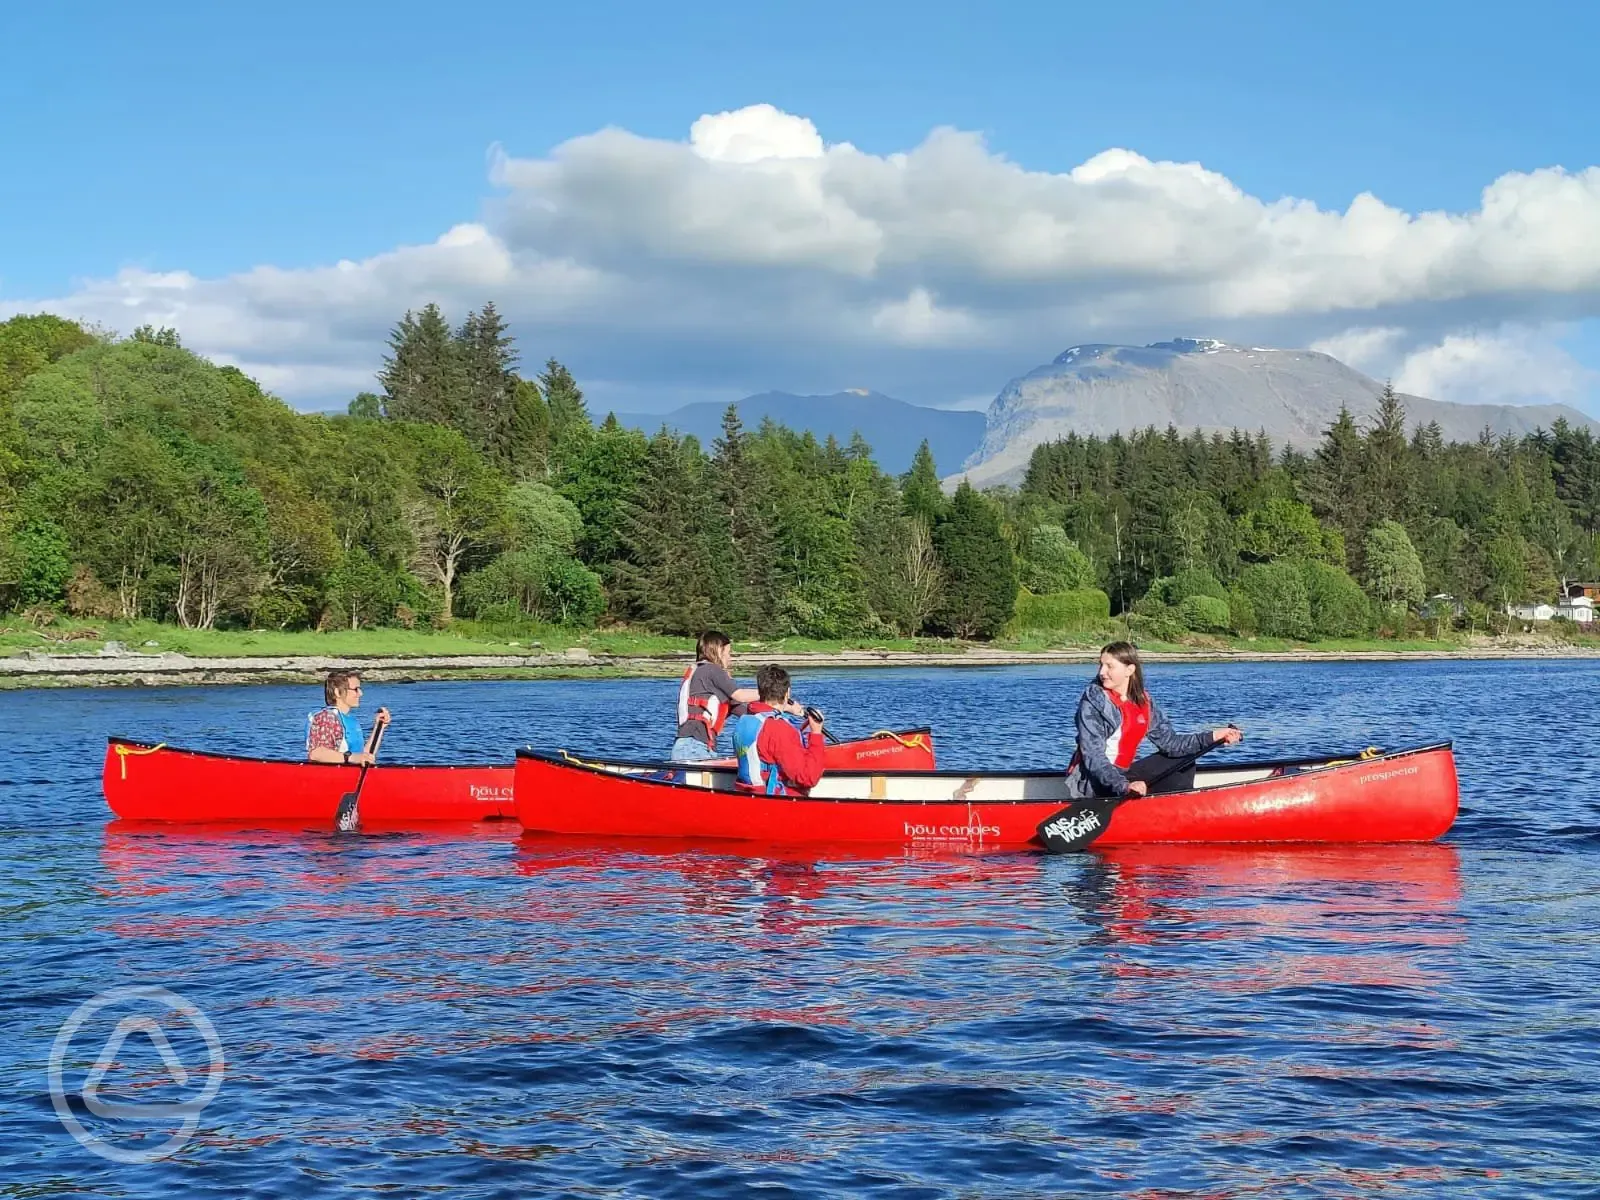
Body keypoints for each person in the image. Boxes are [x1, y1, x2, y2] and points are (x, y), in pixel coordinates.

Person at [1063, 641, 1242, 800]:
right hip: (1095, 781)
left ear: (1129, 670)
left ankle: (1173, 808)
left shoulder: (1143, 701)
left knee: (1184, 759)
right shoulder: (1093, 702)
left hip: (1123, 774)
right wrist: (1124, 786)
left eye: (1109, 666)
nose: (1102, 672)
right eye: (1101, 665)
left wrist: (1214, 736)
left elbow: (1171, 744)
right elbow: (1093, 756)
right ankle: (1160, 811)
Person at [672, 630, 802, 762]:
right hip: (693, 747)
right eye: (728, 653)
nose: (730, 658)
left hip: (698, 747)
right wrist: (774, 693)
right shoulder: (711, 669)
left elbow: (748, 712)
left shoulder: (710, 681)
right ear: (718, 650)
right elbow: (740, 696)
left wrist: (785, 708)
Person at [732, 665, 828, 796]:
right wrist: (816, 733)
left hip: (747, 793)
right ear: (787, 693)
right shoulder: (779, 729)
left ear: (760, 692)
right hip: (777, 799)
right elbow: (808, 778)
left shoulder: (746, 720)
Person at [307, 669, 391, 765]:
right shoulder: (326, 718)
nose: (360, 693)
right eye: (356, 689)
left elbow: (364, 756)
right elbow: (316, 754)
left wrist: (379, 728)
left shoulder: (350, 720)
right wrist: (353, 758)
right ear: (338, 692)